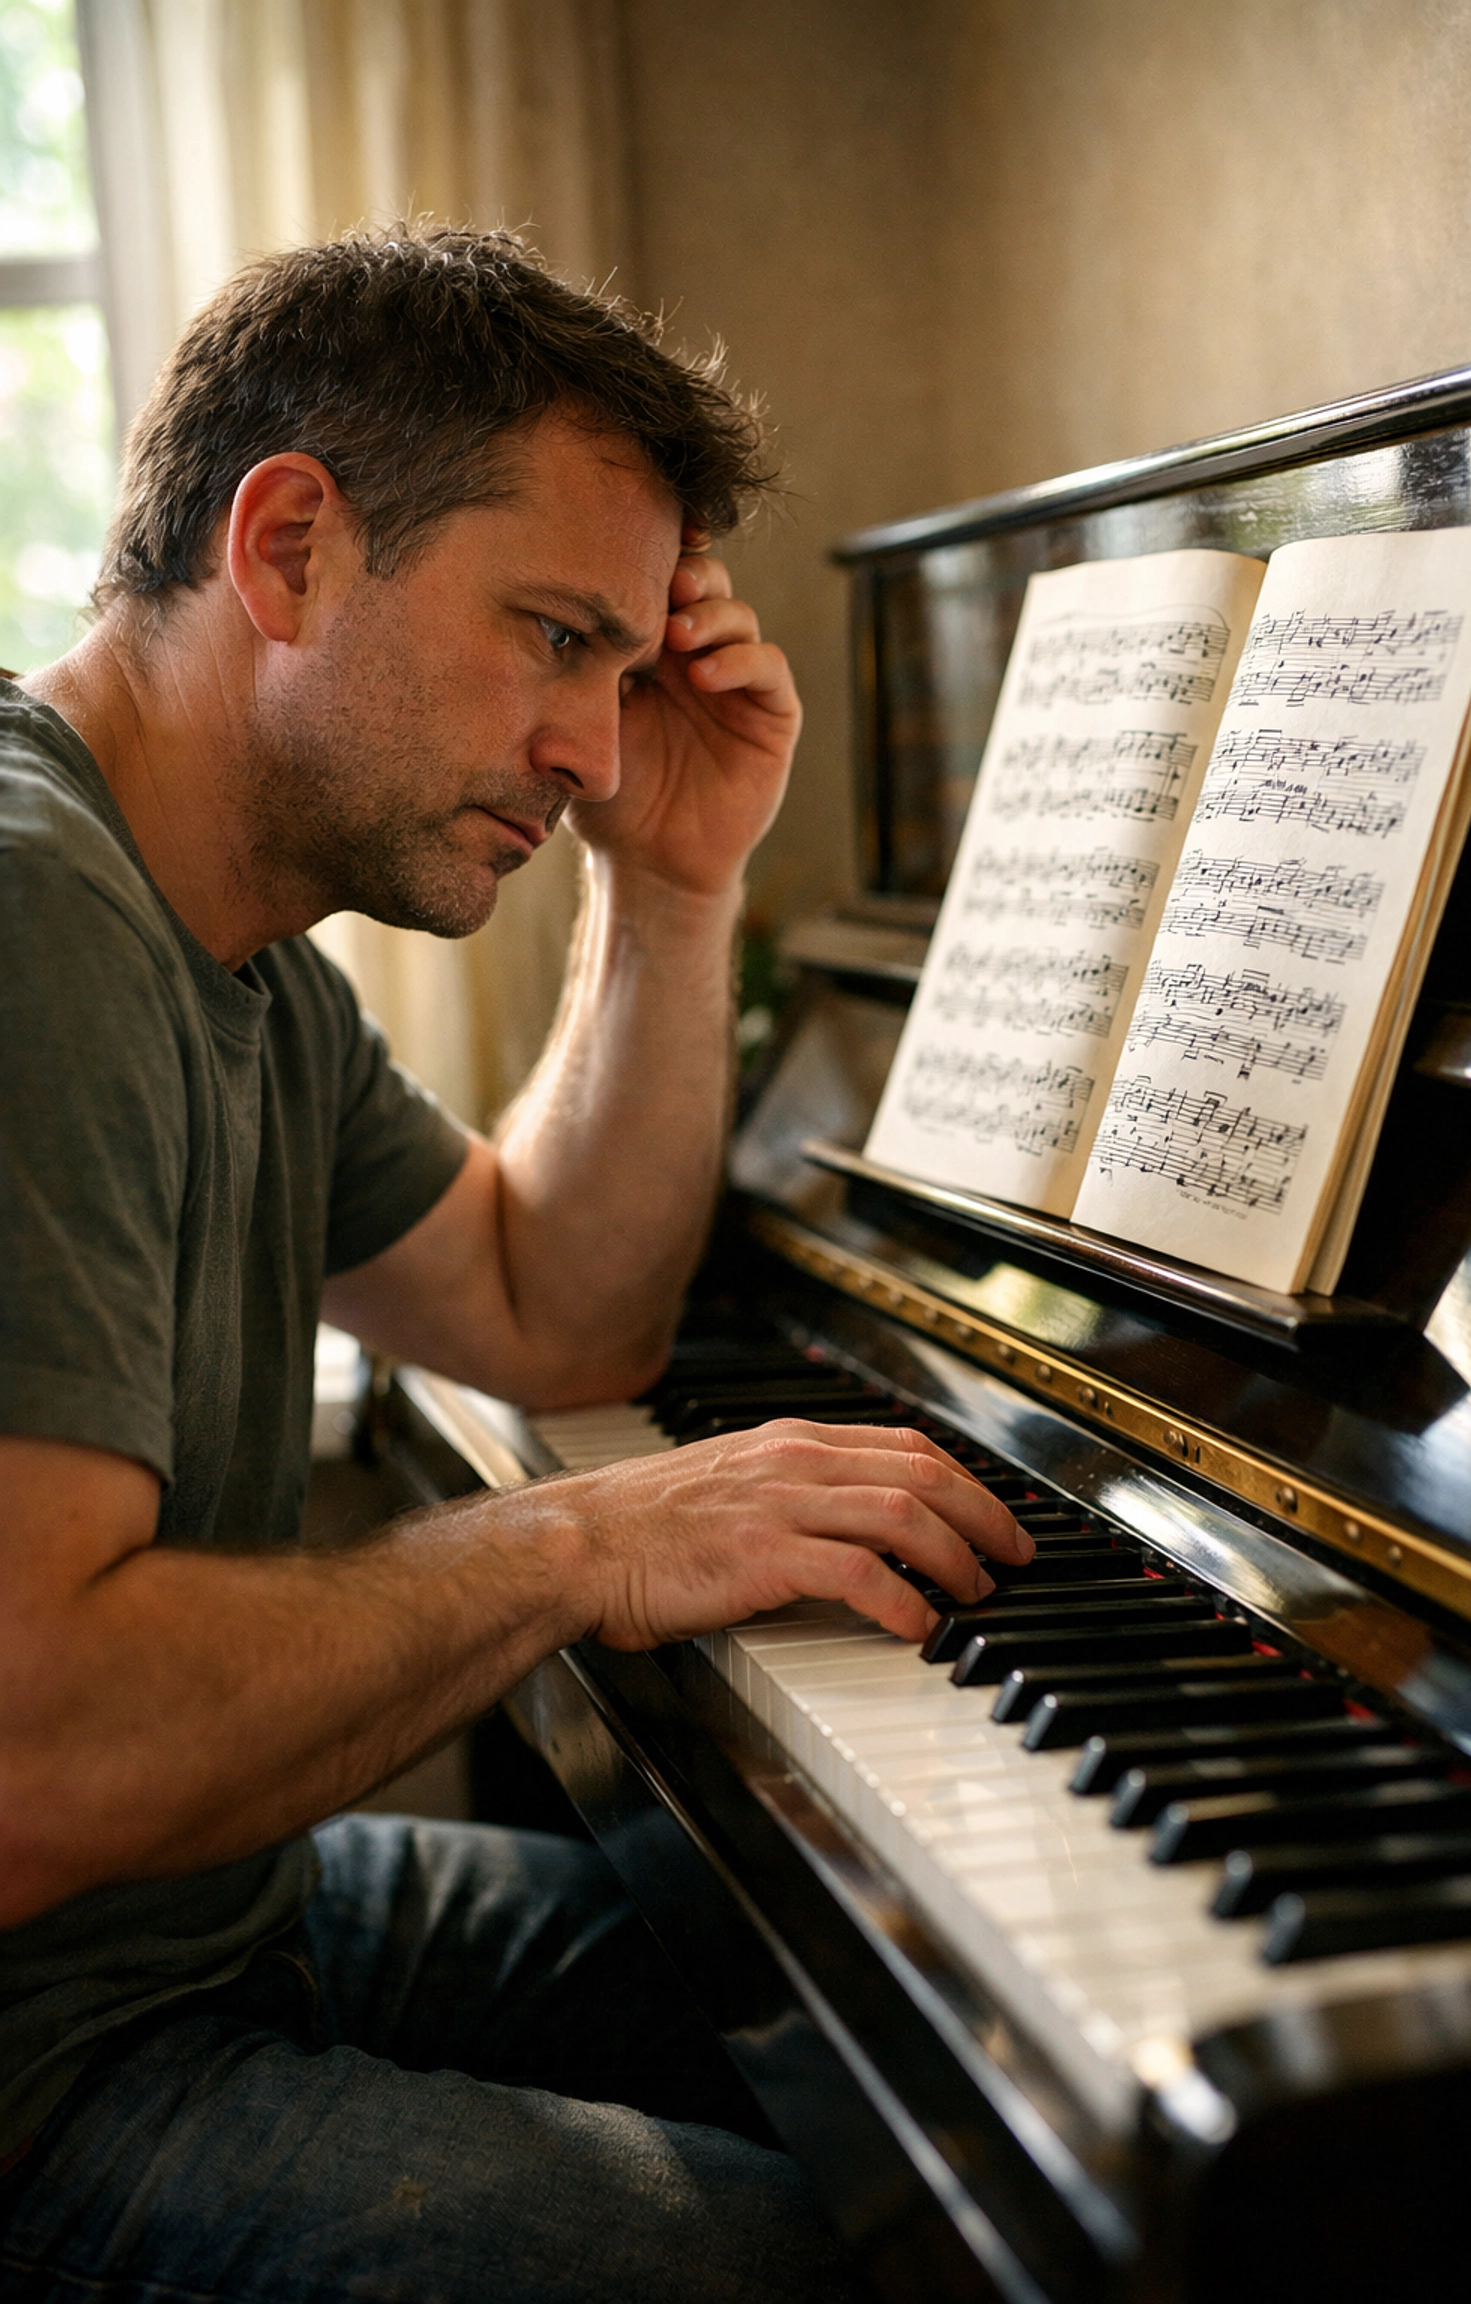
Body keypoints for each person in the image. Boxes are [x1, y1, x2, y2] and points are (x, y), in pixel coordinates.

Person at [0, 226, 1027, 2304]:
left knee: (897, 2071)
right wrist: (579, 1544)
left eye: (622, 670)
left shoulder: (241, 956)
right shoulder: (34, 922)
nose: (591, 745)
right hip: (46, 2074)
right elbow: (35, 1751)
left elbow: (558, 1309)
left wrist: (674, 891)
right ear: (286, 546)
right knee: (825, 2262)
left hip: (203, 1925)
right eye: (556, 638)